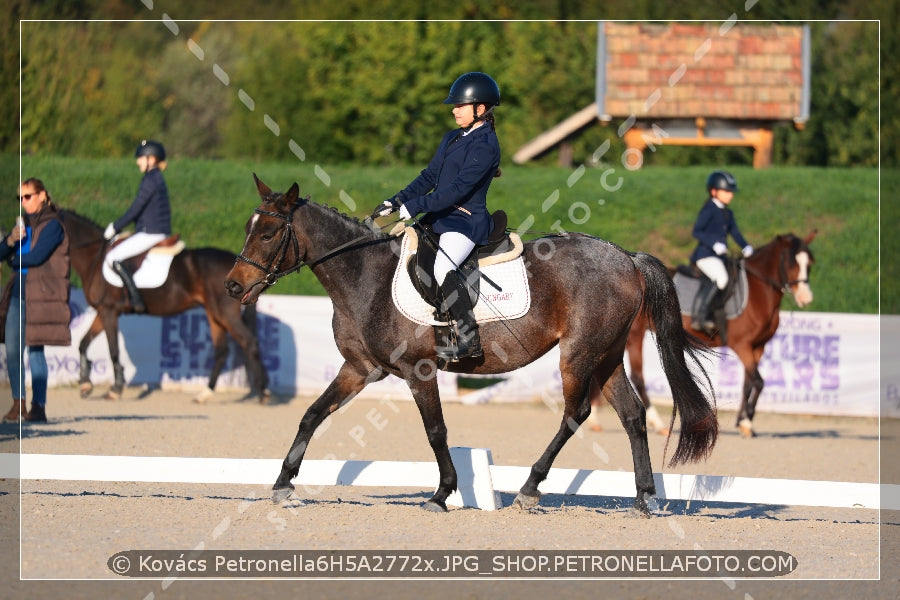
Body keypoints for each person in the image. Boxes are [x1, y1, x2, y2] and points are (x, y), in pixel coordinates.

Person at [376, 72, 502, 361]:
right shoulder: (452, 137)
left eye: (460, 106)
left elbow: (457, 190)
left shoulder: (486, 146)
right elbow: (429, 176)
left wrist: (416, 206)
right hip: (439, 217)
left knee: (444, 267)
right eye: (454, 105)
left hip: (466, 221)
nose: (454, 110)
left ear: (480, 109)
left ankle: (469, 338)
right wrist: (396, 200)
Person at [0, 178, 71, 423]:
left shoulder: (53, 224)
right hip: (18, 294)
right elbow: (1, 254)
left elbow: (38, 256)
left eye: (27, 196)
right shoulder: (22, 224)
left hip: (39, 297)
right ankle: (18, 403)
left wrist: (13, 260)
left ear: (42, 195)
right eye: (20, 198)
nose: (23, 202)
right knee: (12, 352)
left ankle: (38, 407)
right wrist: (10, 241)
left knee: (35, 351)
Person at [103, 139, 172, 313]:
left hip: (151, 233)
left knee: (113, 257)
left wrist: (115, 227)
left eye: (141, 157)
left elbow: (135, 208)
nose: (138, 161)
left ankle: (136, 299)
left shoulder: (151, 180)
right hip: (151, 230)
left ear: (152, 159)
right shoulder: (155, 178)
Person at [688, 170, 754, 333]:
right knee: (722, 279)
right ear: (714, 191)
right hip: (705, 255)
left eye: (731, 192)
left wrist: (746, 247)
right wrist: (714, 244)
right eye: (727, 191)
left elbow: (735, 233)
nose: (730, 195)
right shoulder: (709, 209)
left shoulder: (728, 213)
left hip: (719, 257)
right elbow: (697, 231)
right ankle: (700, 316)